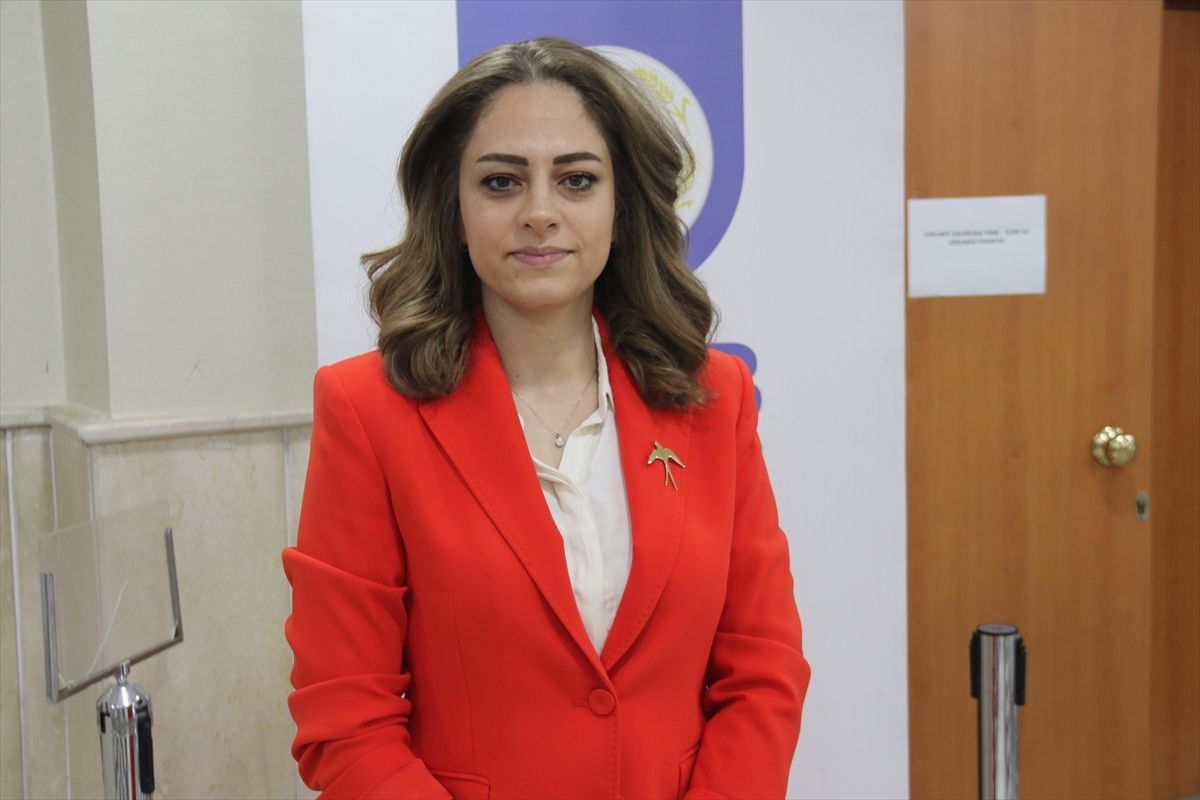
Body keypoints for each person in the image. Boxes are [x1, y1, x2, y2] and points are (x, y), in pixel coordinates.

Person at [283, 37, 810, 800]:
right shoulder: (367, 412)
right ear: (454, 211)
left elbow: (763, 671)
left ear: (621, 208)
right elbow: (345, 720)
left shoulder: (714, 396)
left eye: (576, 180)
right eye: (501, 182)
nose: (539, 213)